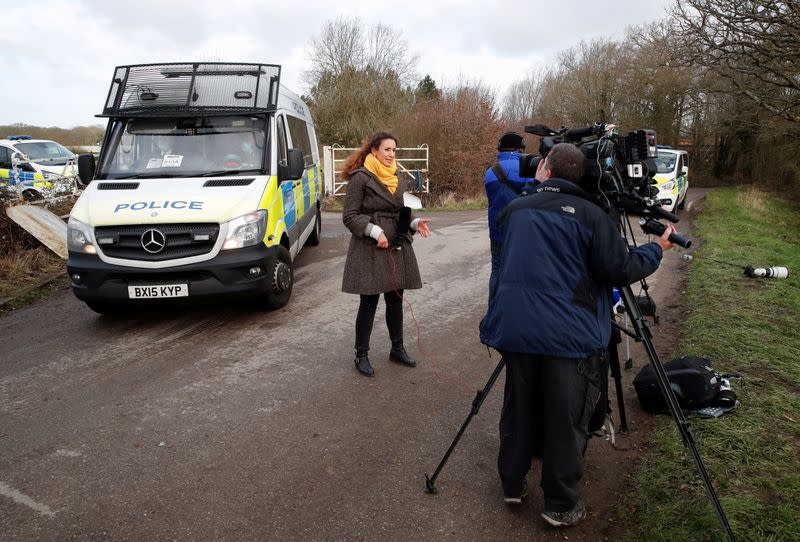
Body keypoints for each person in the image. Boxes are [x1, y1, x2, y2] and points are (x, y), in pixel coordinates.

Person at [479, 143, 676, 528]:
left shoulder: (515, 210)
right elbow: (617, 269)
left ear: (547, 171)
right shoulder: (592, 215)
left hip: (517, 331)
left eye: (540, 165)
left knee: (518, 410)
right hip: (568, 338)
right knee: (565, 418)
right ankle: (561, 504)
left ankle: (512, 484)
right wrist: (656, 249)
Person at [341, 131, 431, 377]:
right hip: (370, 247)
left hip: (396, 245)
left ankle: (397, 348)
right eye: (387, 150)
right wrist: (373, 230)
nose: (391, 155)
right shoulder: (360, 178)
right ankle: (361, 354)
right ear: (374, 151)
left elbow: (402, 212)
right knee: (368, 302)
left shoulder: (397, 178)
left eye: (394, 150)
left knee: (396, 299)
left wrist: (415, 223)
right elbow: (349, 216)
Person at [484, 131, 529, 291]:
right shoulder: (528, 169)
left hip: (497, 229)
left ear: (500, 149)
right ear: (520, 149)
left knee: (496, 269)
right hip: (523, 229)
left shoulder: (490, 172)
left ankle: (494, 308)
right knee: (523, 270)